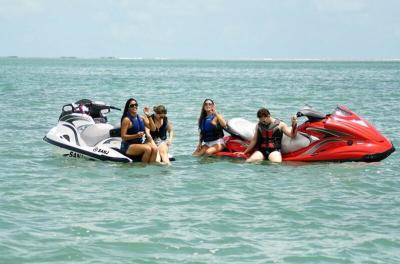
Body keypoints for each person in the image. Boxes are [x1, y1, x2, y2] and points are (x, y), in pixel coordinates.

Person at [120, 98, 158, 163]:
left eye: (136, 105)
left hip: (139, 144)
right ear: (128, 108)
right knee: (148, 149)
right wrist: (136, 136)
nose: (134, 106)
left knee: (155, 149)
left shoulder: (141, 118)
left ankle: (151, 169)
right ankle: (143, 169)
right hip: (128, 146)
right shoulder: (126, 120)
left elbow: (153, 129)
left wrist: (148, 116)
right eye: (132, 105)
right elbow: (123, 136)